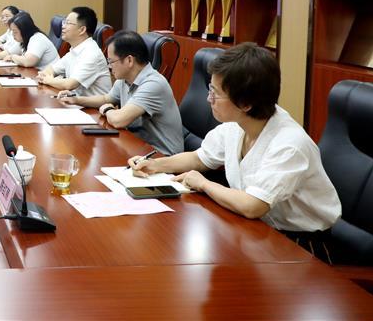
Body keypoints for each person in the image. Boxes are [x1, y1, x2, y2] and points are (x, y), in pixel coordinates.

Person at [129, 43, 341, 234]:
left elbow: (253, 206)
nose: (209, 99)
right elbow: (199, 158)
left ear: (246, 103)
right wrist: (154, 165)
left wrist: (204, 184)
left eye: (215, 93)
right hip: (256, 228)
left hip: (301, 243)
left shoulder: (289, 144)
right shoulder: (237, 124)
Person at [60, 30, 182, 155]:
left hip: (162, 156)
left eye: (111, 61)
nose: (109, 66)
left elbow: (119, 120)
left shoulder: (153, 84)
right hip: (137, 146)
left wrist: (107, 109)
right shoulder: (125, 78)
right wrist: (76, 99)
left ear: (129, 60)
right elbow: (106, 99)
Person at [37, 6, 111, 96]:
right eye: (64, 22)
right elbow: (51, 69)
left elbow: (70, 84)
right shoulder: (74, 50)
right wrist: (47, 77)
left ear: (82, 30)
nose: (63, 26)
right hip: (76, 101)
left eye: (68, 23)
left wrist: (49, 80)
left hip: (94, 105)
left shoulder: (92, 54)